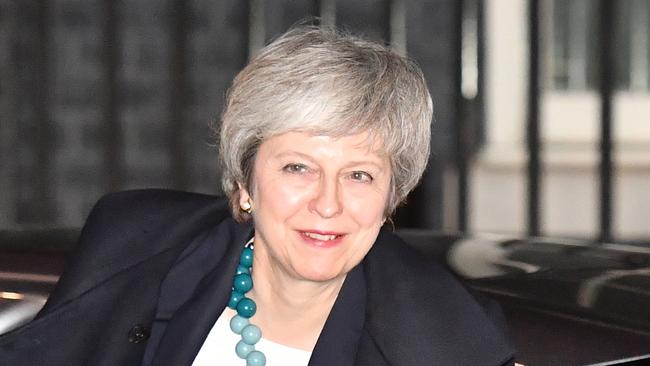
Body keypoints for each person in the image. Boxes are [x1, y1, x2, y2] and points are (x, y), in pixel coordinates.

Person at [0, 26, 514, 365]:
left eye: (359, 175)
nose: (328, 203)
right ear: (244, 183)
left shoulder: (449, 341)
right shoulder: (134, 247)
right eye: (298, 168)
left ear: (390, 197)